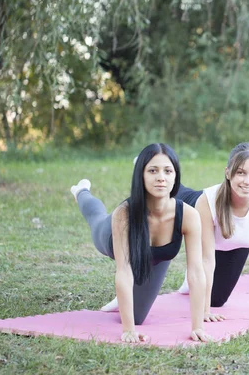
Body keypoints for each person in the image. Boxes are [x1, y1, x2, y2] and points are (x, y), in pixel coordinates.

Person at [70, 143, 210, 343]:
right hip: (112, 239)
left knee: (138, 317)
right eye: (153, 170)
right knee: (96, 218)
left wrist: (197, 326)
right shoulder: (124, 214)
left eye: (167, 171)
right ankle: (81, 192)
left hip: (157, 257)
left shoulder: (189, 215)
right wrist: (128, 330)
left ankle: (123, 298)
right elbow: (124, 271)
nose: (161, 177)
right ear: (141, 175)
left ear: (175, 176)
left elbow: (196, 272)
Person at [176, 142, 249, 323]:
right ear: (228, 173)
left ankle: (194, 284)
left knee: (217, 300)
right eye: (241, 173)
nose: (247, 181)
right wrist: (204, 311)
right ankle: (144, 166)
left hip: (235, 242)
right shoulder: (207, 202)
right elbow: (206, 258)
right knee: (174, 190)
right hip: (194, 203)